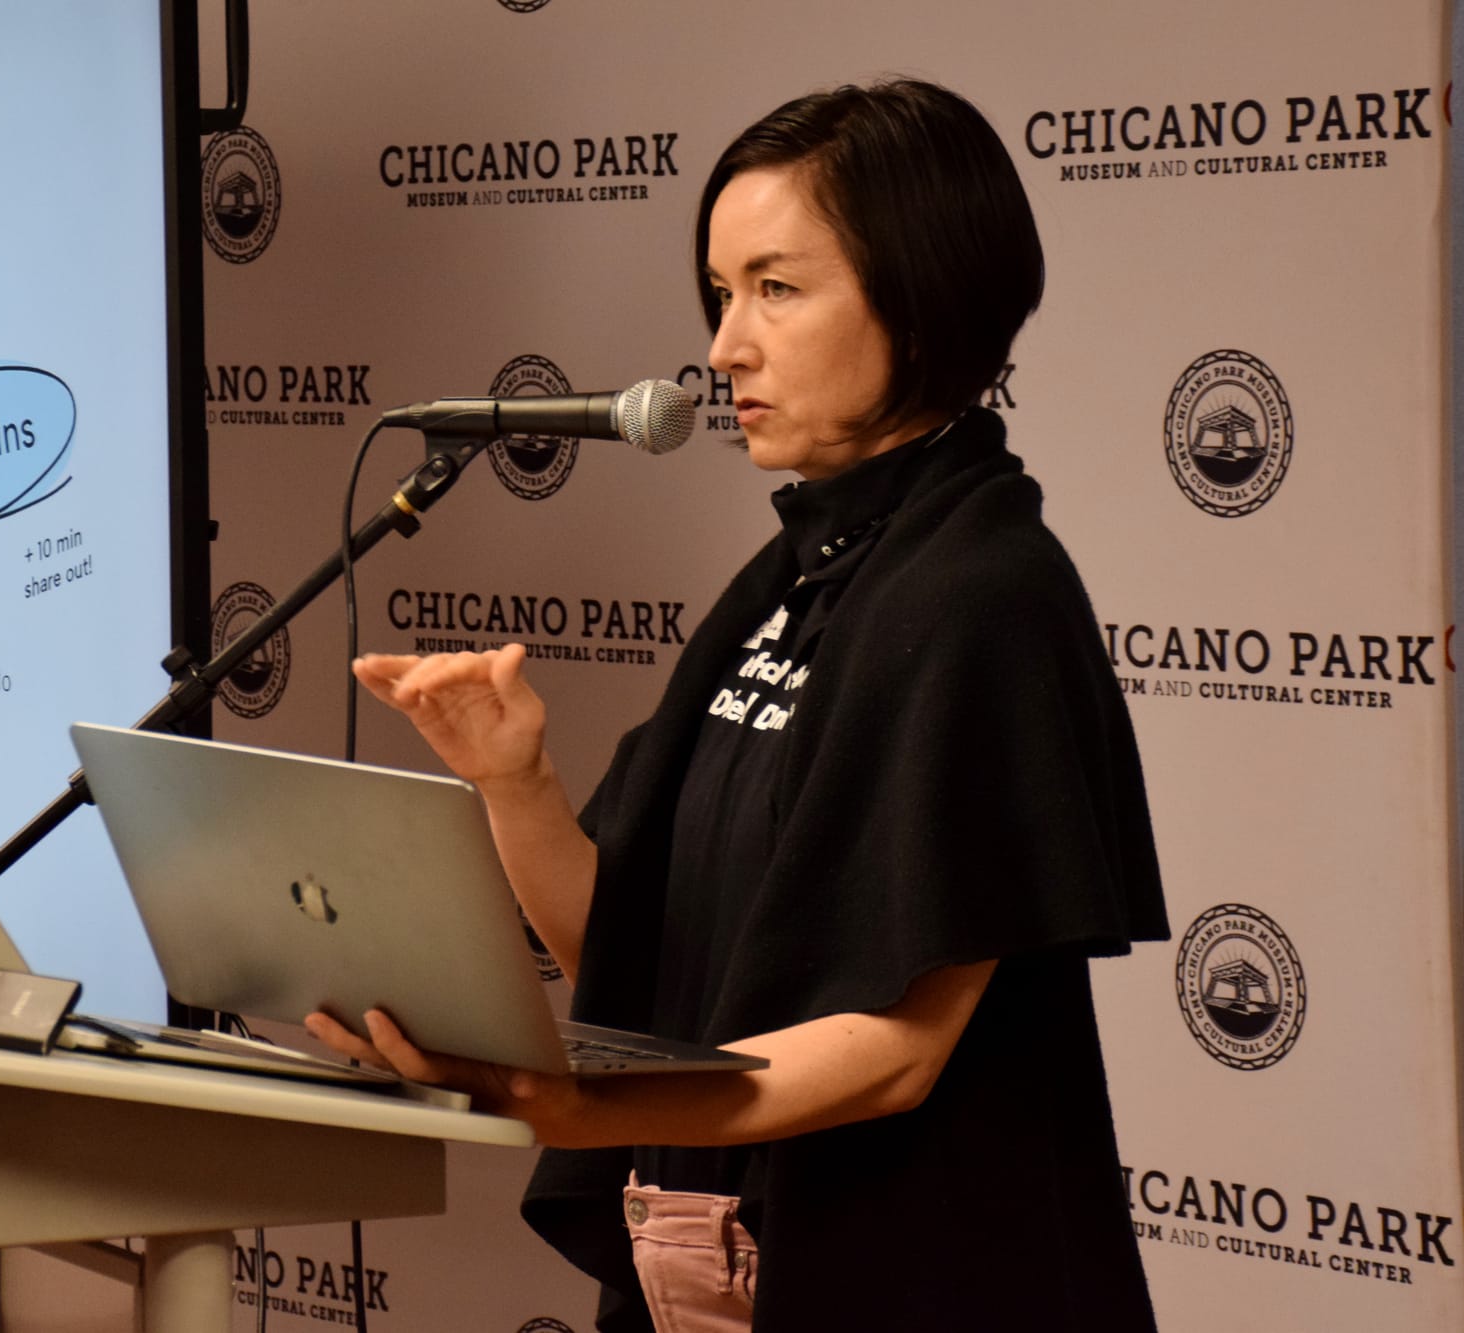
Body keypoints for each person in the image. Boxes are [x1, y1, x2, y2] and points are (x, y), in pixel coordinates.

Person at [305, 79, 1167, 1332]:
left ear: (917, 304)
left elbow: (897, 1047)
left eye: (776, 288)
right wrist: (513, 784)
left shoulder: (987, 595)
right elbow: (630, 950)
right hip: (707, 1262)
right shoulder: (786, 578)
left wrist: (591, 1107)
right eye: (720, 295)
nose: (721, 350)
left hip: (914, 1277)